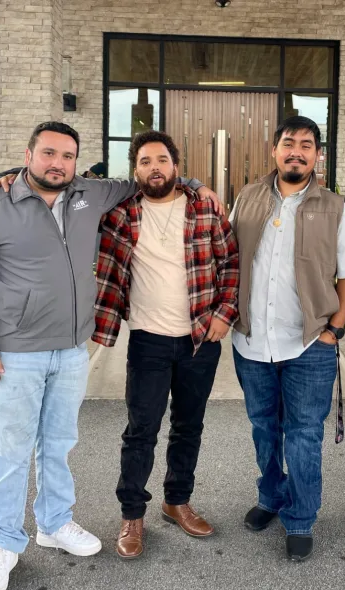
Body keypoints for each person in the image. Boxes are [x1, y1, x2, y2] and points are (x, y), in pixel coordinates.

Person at [0, 121, 217, 590]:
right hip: (15, 352)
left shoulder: (89, 195)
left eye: (67, 156)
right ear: (27, 155)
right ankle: (5, 542)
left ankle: (54, 523)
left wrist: (196, 184)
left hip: (72, 349)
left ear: (78, 162)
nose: (58, 163)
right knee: (14, 452)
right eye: (48, 153)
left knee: (58, 444)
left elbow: (149, 179)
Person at [91, 130, 239, 559]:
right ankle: (132, 515)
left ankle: (177, 501)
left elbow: (230, 259)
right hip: (148, 341)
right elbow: (66, 190)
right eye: (144, 162)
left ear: (176, 166)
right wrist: (11, 179)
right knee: (141, 431)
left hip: (199, 340)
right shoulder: (119, 213)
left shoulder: (203, 206)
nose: (154, 168)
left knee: (188, 426)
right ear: (135, 170)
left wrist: (224, 314)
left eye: (161, 160)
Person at [229, 116, 345, 562]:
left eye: (307, 145)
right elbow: (227, 257)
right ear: (274, 150)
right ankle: (271, 497)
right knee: (263, 428)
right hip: (251, 343)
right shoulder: (247, 199)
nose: (297, 152)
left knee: (304, 434)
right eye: (289, 143)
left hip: (310, 343)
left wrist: (335, 329)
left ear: (317, 155)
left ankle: (301, 517)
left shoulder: (335, 208)